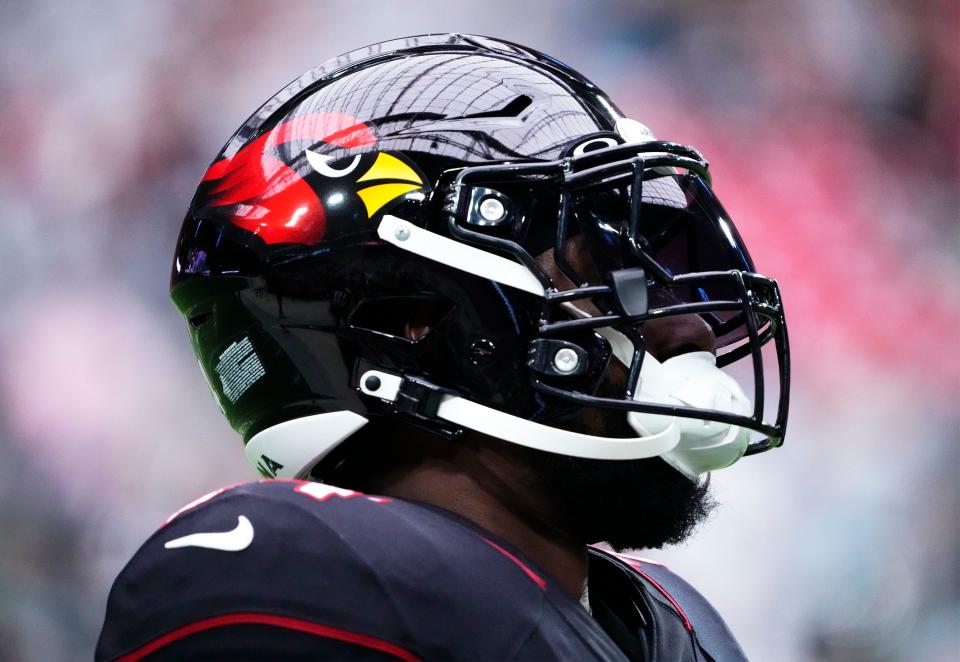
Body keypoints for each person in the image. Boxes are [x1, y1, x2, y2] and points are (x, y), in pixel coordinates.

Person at [97, 34, 790, 661]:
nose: (688, 328)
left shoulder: (672, 627)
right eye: (599, 271)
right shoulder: (290, 575)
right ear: (411, 325)